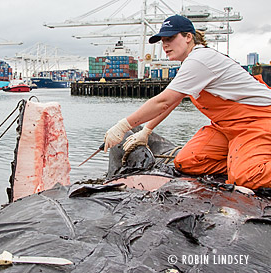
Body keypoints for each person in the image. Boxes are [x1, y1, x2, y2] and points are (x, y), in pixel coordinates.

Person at [104, 15, 271, 190]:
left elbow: (163, 101)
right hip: (226, 127)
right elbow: (173, 101)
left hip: (257, 122)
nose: (165, 45)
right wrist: (146, 131)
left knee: (247, 177)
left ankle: (247, 166)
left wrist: (123, 126)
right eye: (162, 41)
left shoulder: (200, 59)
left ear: (188, 37)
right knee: (188, 162)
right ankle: (241, 160)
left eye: (170, 38)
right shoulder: (191, 63)